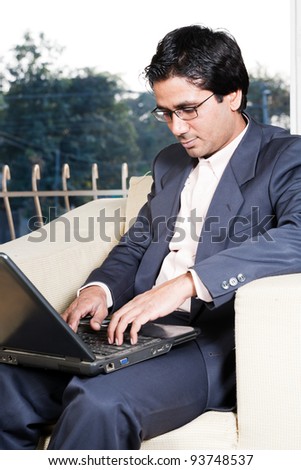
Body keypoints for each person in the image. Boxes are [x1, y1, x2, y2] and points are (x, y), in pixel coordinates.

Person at [1, 24, 301, 450]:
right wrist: (99, 289)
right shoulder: (170, 163)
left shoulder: (287, 156)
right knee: (9, 380)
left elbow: (298, 236)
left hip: (211, 343)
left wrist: (189, 282)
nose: (176, 128)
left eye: (188, 109)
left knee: (99, 402)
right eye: (165, 112)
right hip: (135, 327)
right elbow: (138, 241)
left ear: (232, 94)